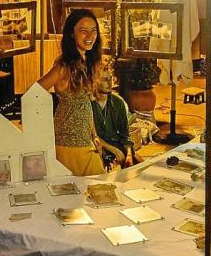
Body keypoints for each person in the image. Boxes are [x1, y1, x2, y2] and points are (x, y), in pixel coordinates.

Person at [38, 9, 105, 176]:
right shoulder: (64, 67)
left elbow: (84, 104)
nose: (89, 35)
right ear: (71, 34)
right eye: (83, 30)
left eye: (93, 30)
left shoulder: (87, 61)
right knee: (96, 185)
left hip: (84, 139)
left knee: (95, 187)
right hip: (68, 142)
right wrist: (42, 130)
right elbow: (33, 93)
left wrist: (94, 135)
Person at [91, 67, 142, 169]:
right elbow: (90, 135)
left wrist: (129, 154)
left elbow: (125, 135)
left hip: (116, 144)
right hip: (96, 146)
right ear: (95, 82)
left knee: (141, 167)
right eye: (105, 79)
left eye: (110, 78)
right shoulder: (88, 103)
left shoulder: (118, 102)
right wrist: (115, 150)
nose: (109, 83)